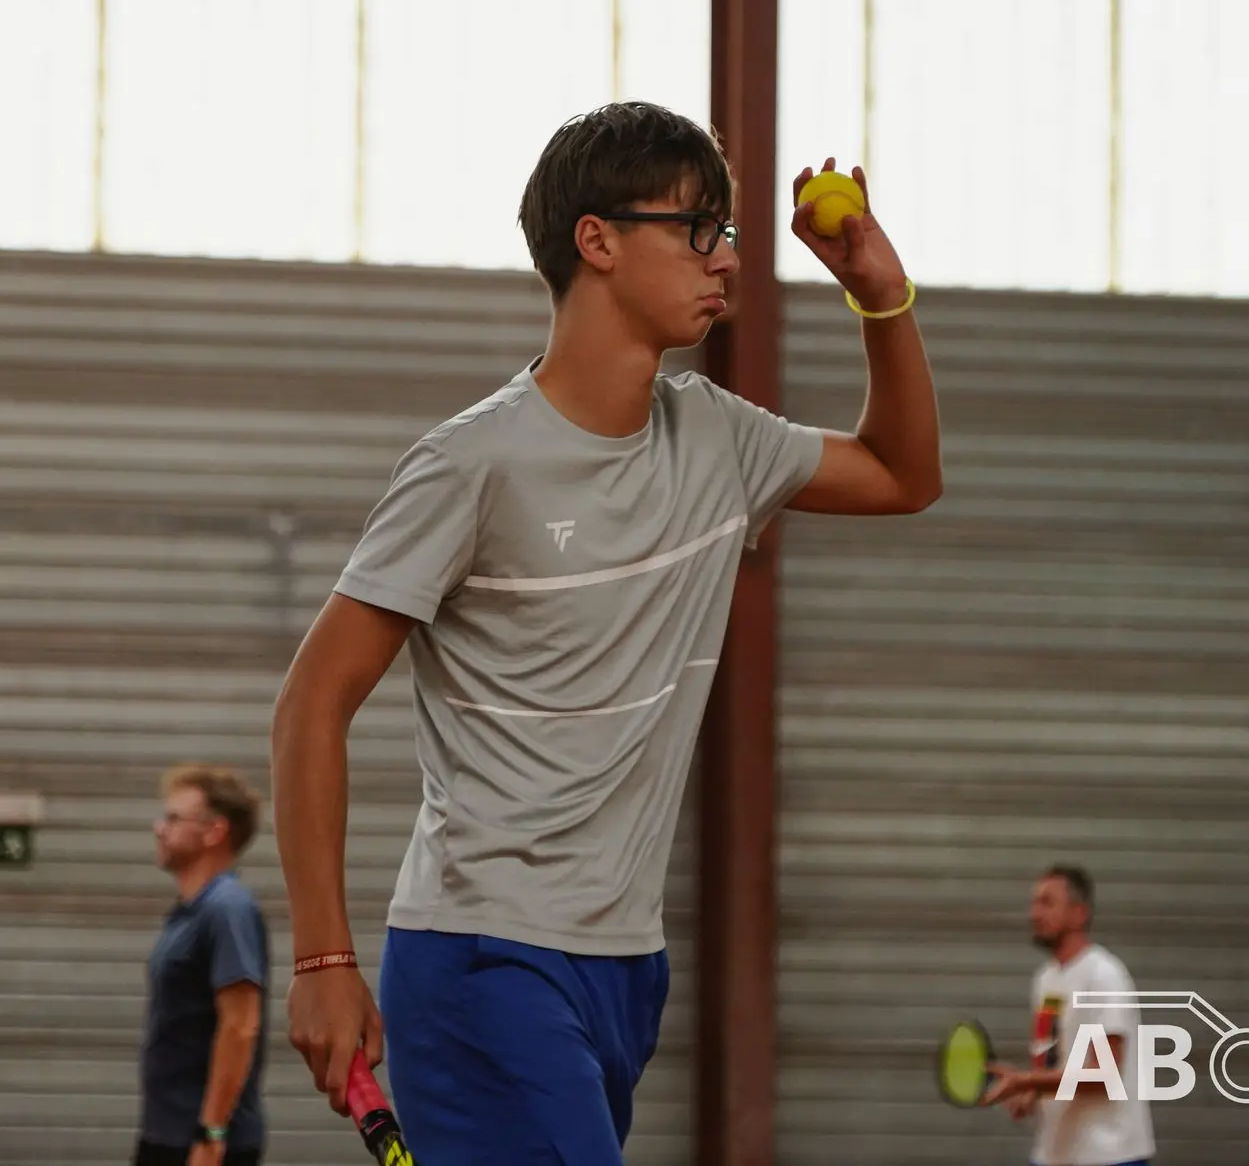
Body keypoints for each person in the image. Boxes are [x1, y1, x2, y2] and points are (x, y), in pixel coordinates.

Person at [271, 100, 942, 1163]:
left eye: (726, 231)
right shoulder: (471, 463)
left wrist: (880, 296)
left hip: (627, 965)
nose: (727, 259)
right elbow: (313, 701)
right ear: (598, 240)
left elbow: (905, 475)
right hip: (485, 954)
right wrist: (322, 961)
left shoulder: (718, 438)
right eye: (697, 229)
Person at [136, 765, 270, 1166]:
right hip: (169, 1133)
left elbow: (240, 1025)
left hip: (203, 1143)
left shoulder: (228, 909)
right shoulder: (192, 911)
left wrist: (211, 1134)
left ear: (214, 831)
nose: (159, 828)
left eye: (173, 818)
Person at [981, 865, 1156, 1166]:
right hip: (1054, 1154)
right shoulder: (1045, 979)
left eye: (1047, 903)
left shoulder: (1104, 975)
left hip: (1108, 1156)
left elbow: (1105, 1074)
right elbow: (1051, 1061)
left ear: (1079, 913)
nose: (1034, 913)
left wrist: (1025, 1081)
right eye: (1034, 903)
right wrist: (1030, 1093)